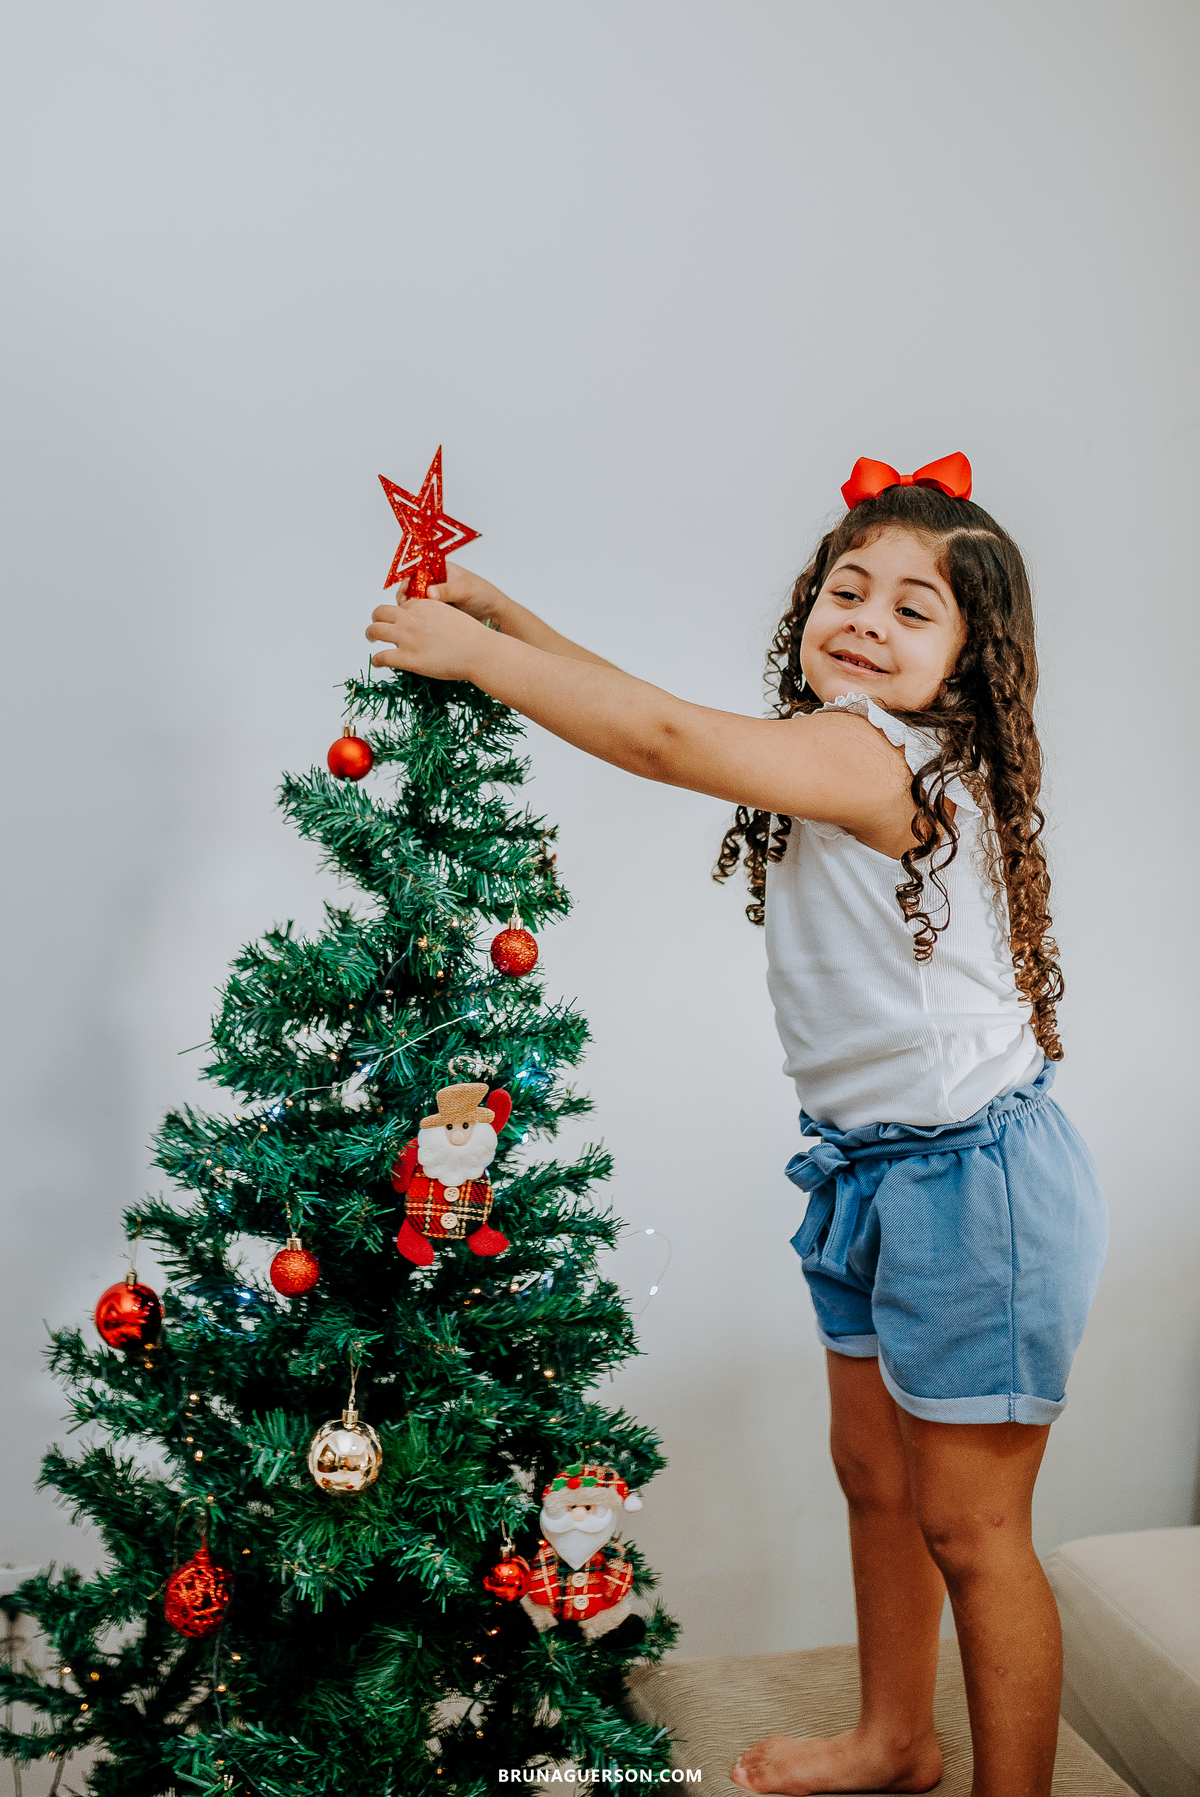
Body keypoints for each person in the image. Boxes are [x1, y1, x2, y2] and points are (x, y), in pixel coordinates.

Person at [365, 455, 1108, 1797]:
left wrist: (475, 659)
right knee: (874, 1478)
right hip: (868, 1172)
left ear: (971, 659)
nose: (866, 620)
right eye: (847, 588)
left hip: (974, 1189)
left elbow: (662, 739)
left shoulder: (878, 753)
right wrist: (506, 618)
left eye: (914, 609)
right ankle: (894, 1735)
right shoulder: (836, 739)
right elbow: (663, 709)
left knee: (973, 1527)